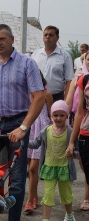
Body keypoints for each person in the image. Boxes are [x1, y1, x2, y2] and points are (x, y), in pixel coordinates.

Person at [0, 24, 45, 221]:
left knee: (17, 179)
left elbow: (39, 97)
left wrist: (24, 127)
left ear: (12, 40)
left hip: (18, 123)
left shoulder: (26, 63)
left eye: (2, 39)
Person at [30, 100, 77, 221]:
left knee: (66, 195)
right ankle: (46, 219)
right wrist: (23, 142)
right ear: (51, 115)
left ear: (67, 115)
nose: (58, 118)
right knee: (48, 196)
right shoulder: (46, 130)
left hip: (64, 169)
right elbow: (35, 143)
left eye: (62, 115)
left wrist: (73, 153)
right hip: (49, 168)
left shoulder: (70, 131)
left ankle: (69, 215)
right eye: (55, 115)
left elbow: (77, 150)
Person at [24, 72, 53, 213]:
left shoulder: (46, 94)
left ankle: (29, 201)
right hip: (27, 129)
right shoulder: (25, 93)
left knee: (34, 168)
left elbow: (51, 115)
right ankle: (34, 196)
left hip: (40, 131)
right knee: (29, 167)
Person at [66, 51, 89, 211]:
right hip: (86, 133)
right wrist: (72, 141)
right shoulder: (83, 80)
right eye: (88, 59)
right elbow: (79, 111)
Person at [31, 25, 74, 102]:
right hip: (37, 97)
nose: (47, 37)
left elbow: (69, 81)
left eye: (51, 35)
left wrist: (66, 101)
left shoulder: (65, 56)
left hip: (57, 98)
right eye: (45, 35)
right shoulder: (35, 55)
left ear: (57, 37)